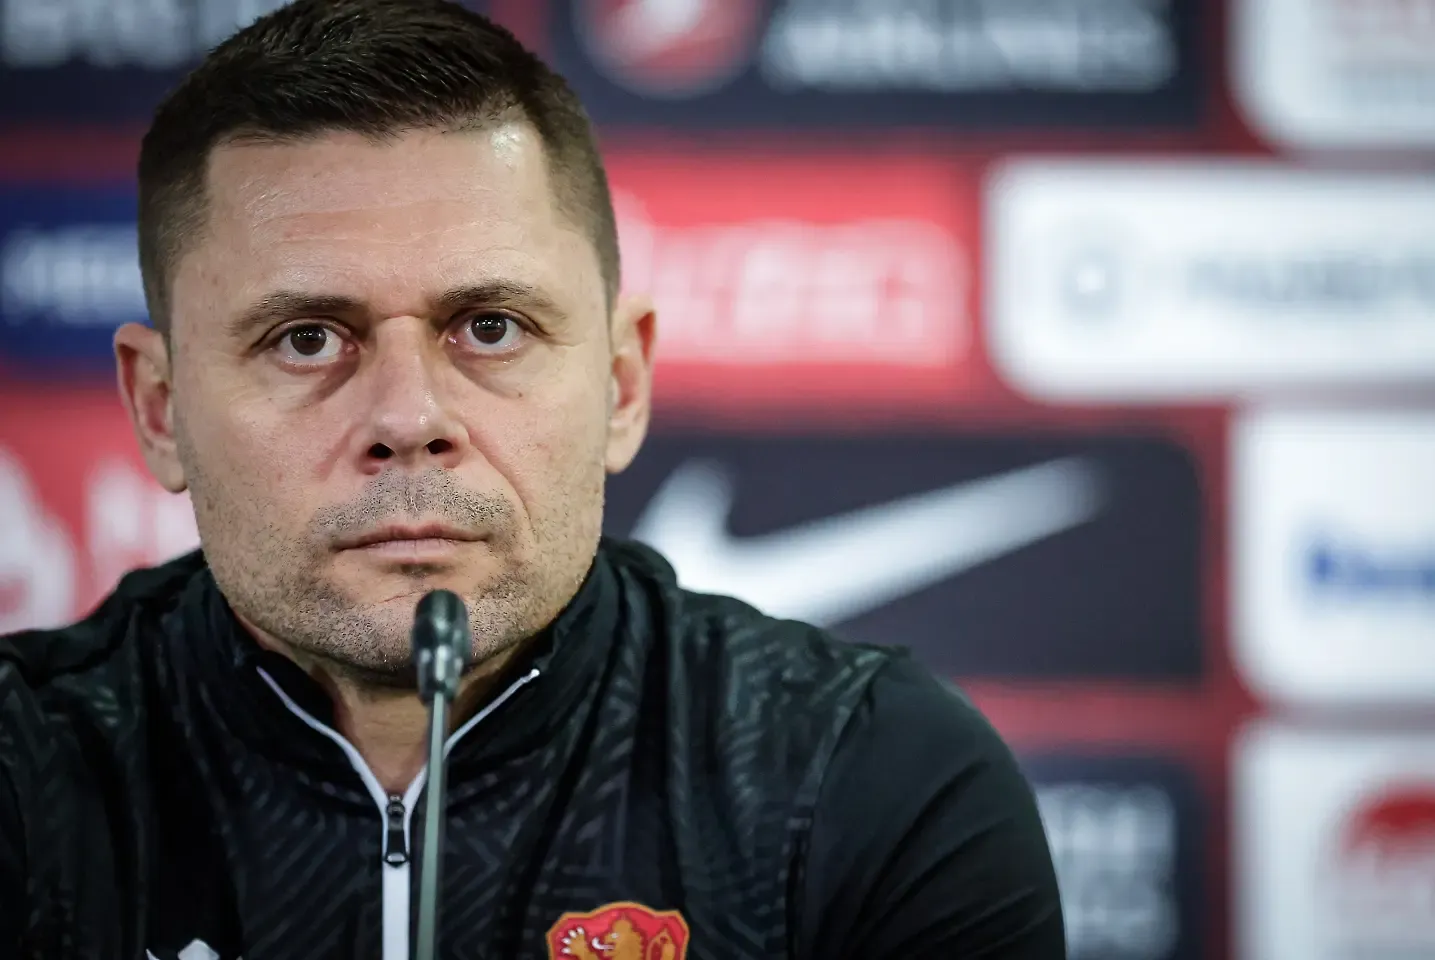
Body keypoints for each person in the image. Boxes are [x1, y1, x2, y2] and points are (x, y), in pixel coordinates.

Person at [0, 1, 1066, 957]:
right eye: (307, 339)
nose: (409, 419)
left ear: (620, 383)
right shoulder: (24, 777)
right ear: (160, 409)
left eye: (490, 327)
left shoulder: (859, 778)